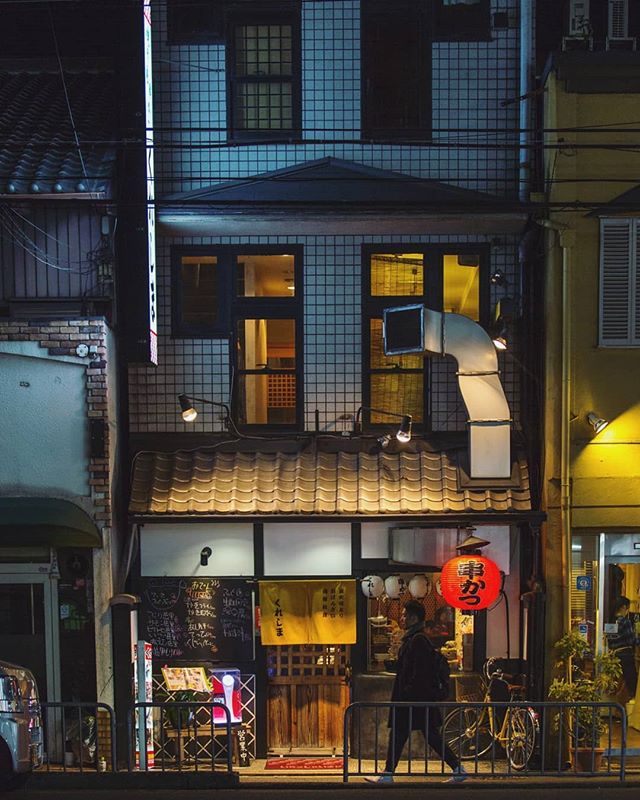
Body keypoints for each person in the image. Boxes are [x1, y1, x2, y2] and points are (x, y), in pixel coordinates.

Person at [366, 600, 467, 784]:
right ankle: (388, 773)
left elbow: (419, 672)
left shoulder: (418, 639)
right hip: (415, 700)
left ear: (413, 617)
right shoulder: (415, 638)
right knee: (415, 735)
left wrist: (407, 692)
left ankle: (388, 774)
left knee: (413, 735)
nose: (402, 618)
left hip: (414, 700)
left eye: (404, 615)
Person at [609, 596, 639, 700]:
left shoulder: (611, 621)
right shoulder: (625, 622)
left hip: (615, 656)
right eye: (628, 608)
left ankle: (617, 708)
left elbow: (609, 640)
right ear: (623, 607)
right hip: (626, 655)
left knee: (620, 683)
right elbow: (632, 640)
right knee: (631, 683)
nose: (628, 611)